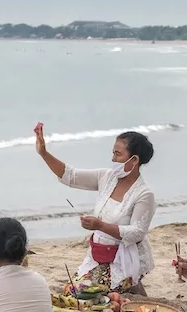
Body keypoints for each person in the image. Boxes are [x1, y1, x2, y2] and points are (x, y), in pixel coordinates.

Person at [34, 123, 156, 295]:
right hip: (98, 253)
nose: (113, 159)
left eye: (118, 154)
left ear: (134, 160)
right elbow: (71, 176)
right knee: (73, 292)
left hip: (123, 257)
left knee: (87, 295)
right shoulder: (107, 177)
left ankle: (132, 284)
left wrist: (100, 226)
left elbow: (137, 233)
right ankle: (133, 290)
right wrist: (44, 154)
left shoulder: (144, 194)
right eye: (113, 153)